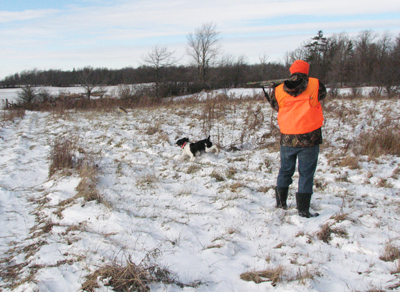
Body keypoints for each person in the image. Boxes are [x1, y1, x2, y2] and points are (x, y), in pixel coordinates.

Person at [264, 60, 327, 218]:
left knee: (285, 171)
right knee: (306, 174)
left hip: (287, 138)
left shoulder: (279, 89)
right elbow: (323, 96)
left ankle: (281, 204)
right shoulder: (316, 84)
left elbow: (276, 105)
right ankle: (303, 210)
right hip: (310, 139)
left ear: (291, 71)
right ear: (307, 71)